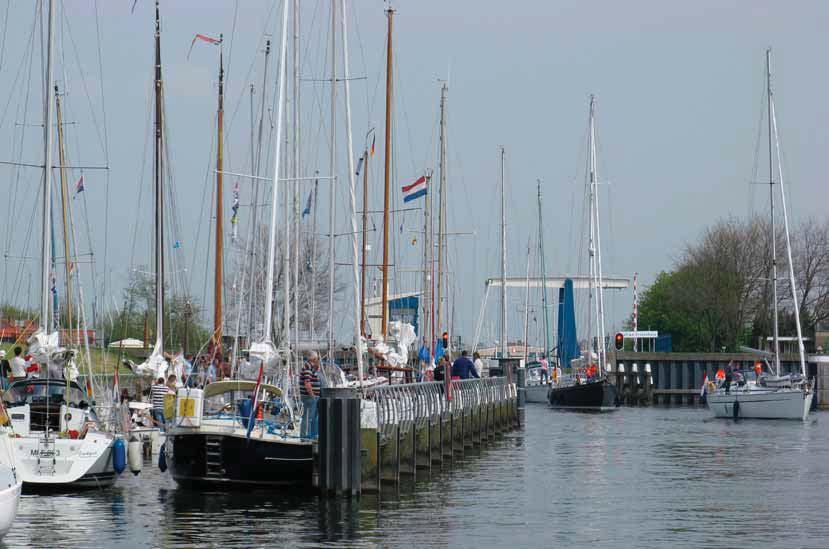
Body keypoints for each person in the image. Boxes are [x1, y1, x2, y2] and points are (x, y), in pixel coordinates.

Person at [300, 351, 321, 439]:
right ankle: (305, 436)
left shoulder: (311, 367)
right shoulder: (307, 366)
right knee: (308, 417)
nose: (318, 360)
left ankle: (312, 435)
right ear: (314, 359)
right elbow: (307, 383)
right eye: (317, 359)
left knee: (312, 417)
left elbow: (314, 374)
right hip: (309, 396)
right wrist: (312, 395)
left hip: (313, 396)